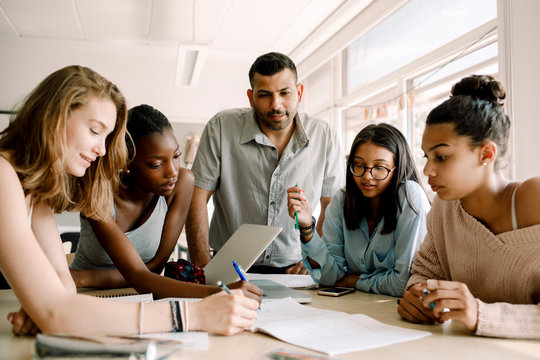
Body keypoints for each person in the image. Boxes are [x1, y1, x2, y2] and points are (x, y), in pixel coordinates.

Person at [0, 65, 258, 337]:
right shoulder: (3, 174)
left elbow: (62, 286)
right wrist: (191, 314)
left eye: (106, 137)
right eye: (94, 130)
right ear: (54, 117)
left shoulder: (34, 190)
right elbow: (57, 310)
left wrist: (50, 311)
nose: (101, 150)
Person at [397, 75, 540, 339]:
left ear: (486, 153)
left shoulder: (534, 197)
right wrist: (420, 298)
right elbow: (423, 274)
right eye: (426, 156)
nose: (427, 170)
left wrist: (479, 313)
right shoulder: (443, 207)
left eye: (441, 157)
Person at [69, 104, 262, 300]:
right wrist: (222, 293)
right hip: (82, 293)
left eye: (176, 156)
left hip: (141, 292)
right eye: (157, 164)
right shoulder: (98, 191)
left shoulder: (182, 183)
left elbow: (153, 270)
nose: (172, 172)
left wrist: (86, 277)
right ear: (127, 163)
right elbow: (140, 275)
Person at [186, 52, 344, 274]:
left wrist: (315, 258)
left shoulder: (324, 135)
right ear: (251, 98)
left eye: (284, 93)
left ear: (299, 92)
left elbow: (333, 206)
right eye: (264, 95)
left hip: (296, 268)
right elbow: (197, 197)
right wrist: (203, 268)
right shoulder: (221, 127)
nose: (275, 104)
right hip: (229, 266)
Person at [287, 123, 430, 297]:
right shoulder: (342, 200)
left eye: (379, 168)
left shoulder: (410, 196)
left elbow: (404, 283)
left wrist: (353, 280)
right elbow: (329, 276)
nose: (367, 176)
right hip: (357, 307)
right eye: (359, 165)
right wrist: (307, 226)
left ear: (397, 168)